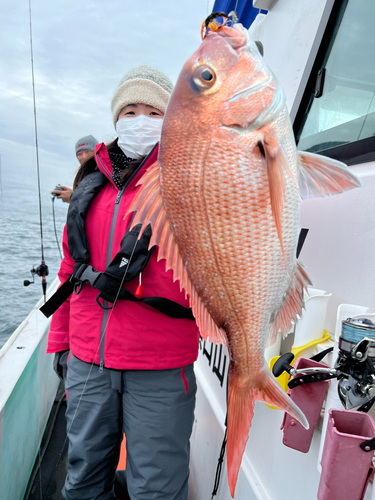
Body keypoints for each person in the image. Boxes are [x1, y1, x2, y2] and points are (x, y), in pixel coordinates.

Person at [47, 65, 200, 500]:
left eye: (152, 110)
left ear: (170, 118)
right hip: (88, 359)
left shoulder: (189, 177)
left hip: (162, 365)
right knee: (82, 478)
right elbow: (68, 273)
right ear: (116, 118)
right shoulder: (89, 183)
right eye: (129, 110)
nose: (139, 119)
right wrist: (59, 341)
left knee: (157, 485)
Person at [51, 135, 98, 203]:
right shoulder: (82, 177)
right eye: (79, 154)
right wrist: (73, 195)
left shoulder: (104, 175)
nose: (84, 157)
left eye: (88, 151)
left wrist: (72, 198)